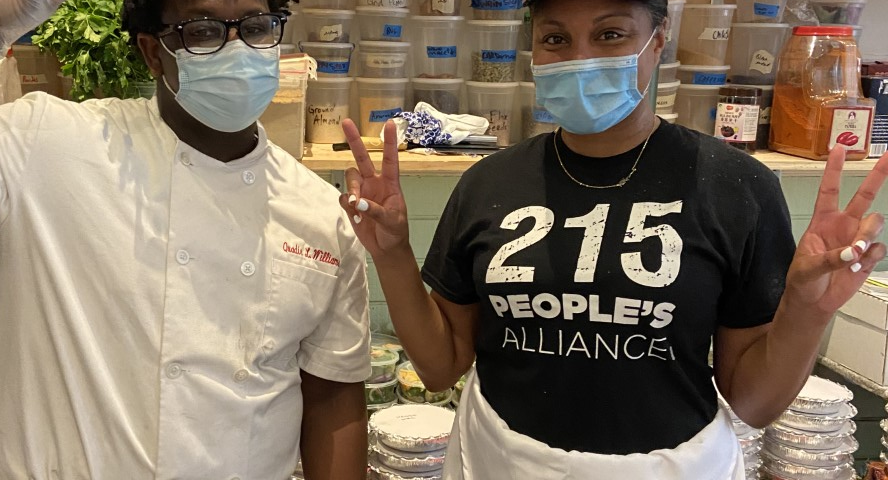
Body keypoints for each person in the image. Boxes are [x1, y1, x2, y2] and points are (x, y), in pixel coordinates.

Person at [340, 0, 888, 478]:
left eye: (609, 34)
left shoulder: (735, 186)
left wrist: (807, 311)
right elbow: (440, 366)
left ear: (659, 36)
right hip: (502, 460)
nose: (580, 57)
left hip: (673, 467)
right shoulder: (488, 182)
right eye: (555, 38)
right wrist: (389, 255)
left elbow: (754, 400)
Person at [0, 0, 371, 478]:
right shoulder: (43, 145)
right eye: (203, 31)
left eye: (257, 27)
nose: (238, 48)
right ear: (153, 52)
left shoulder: (321, 213)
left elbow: (333, 396)